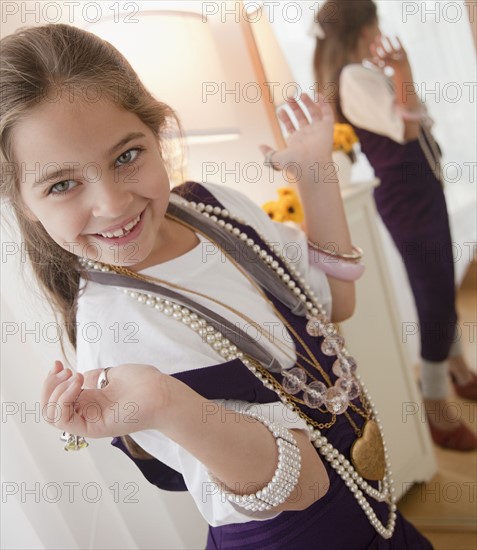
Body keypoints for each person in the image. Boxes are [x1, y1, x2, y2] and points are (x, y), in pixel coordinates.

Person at [1, 23, 434, 549]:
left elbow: (334, 303)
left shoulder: (210, 206)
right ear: (24, 202)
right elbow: (303, 485)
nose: (112, 204)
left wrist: (315, 172)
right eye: (62, 184)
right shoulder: (118, 334)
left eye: (127, 156)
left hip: (376, 514)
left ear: (157, 132)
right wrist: (166, 401)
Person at [313, 0, 477, 451]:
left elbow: (416, 116)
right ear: (365, 28)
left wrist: (400, 75)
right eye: (375, 25)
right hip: (409, 200)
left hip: (419, 192)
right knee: (435, 292)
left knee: (440, 282)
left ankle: (459, 370)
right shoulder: (354, 77)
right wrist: (402, 69)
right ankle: (436, 401)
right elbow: (405, 130)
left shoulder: (362, 73)